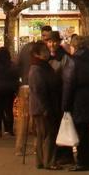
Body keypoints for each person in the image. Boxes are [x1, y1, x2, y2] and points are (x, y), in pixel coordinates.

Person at [62, 35, 89, 171]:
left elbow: (68, 83)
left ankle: (83, 161)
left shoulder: (73, 61)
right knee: (86, 132)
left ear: (74, 46)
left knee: (80, 132)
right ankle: (88, 160)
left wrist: (65, 105)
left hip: (78, 99)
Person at [27, 41, 62, 170]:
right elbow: (39, 91)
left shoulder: (43, 66)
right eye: (44, 51)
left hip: (44, 105)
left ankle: (42, 161)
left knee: (43, 134)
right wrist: (45, 108)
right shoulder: (37, 69)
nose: (47, 53)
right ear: (37, 54)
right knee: (48, 134)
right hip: (42, 107)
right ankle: (49, 161)